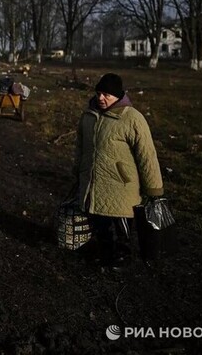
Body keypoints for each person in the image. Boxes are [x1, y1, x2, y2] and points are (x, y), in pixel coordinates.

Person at [72, 72, 164, 269]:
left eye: (107, 95)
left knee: (121, 226)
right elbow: (80, 146)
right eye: (99, 93)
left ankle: (123, 257)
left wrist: (154, 189)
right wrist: (78, 170)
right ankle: (106, 254)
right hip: (93, 182)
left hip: (122, 186)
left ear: (118, 96)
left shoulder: (132, 118)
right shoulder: (89, 116)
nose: (101, 98)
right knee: (99, 223)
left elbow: (147, 155)